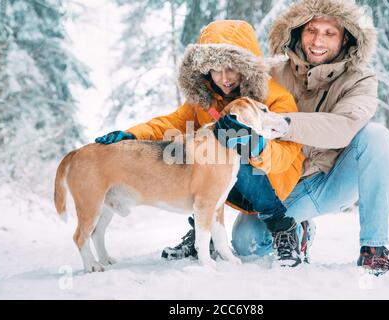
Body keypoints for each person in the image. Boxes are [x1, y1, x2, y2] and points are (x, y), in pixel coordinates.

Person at [95, 20, 312, 266]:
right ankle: (201, 231)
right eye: (215, 69)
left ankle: (284, 228)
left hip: (272, 182)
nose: (224, 78)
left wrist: (258, 146)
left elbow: (289, 152)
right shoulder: (206, 99)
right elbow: (170, 123)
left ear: (246, 67)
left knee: (228, 152)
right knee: (200, 155)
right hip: (222, 184)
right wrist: (131, 134)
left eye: (231, 68)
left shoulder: (273, 98)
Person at [231, 0, 389, 275]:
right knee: (248, 244)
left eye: (330, 33)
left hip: (327, 179)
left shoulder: (360, 79)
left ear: (346, 37)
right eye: (311, 30)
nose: (318, 40)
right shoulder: (269, 72)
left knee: (376, 135)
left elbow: (344, 126)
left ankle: (373, 249)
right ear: (297, 31)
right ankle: (299, 227)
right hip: (279, 184)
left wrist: (284, 124)